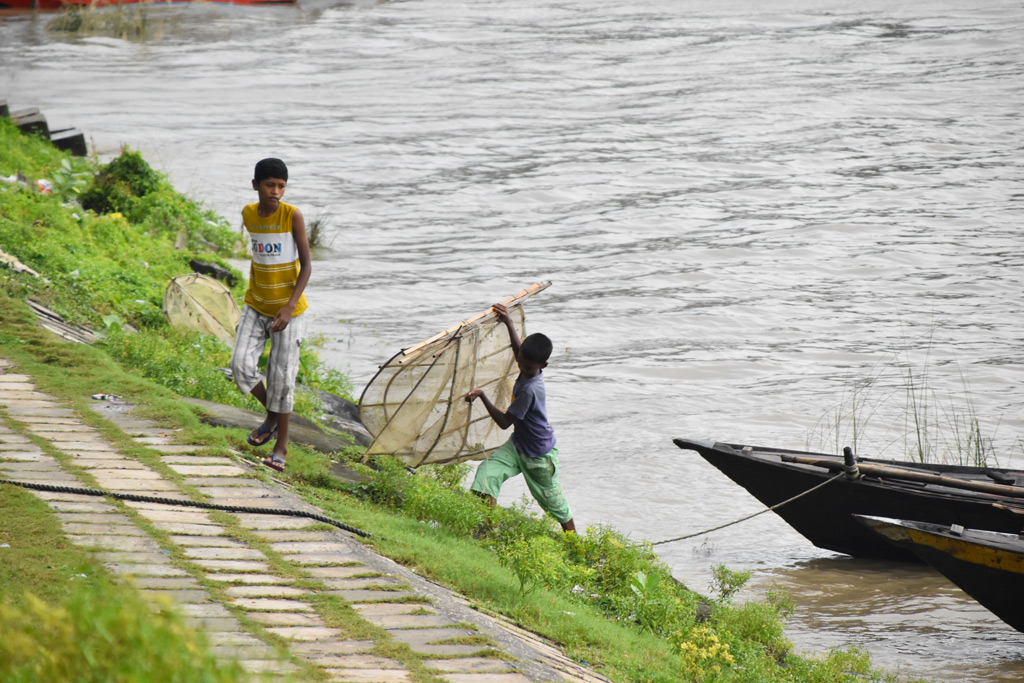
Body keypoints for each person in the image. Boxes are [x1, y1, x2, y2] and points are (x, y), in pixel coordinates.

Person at [229, 158, 311, 472]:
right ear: (256, 186)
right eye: (269, 185)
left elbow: (307, 266)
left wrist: (290, 307)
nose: (275, 192)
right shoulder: (248, 214)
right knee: (240, 365)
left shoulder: (293, 215)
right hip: (256, 303)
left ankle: (281, 448)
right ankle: (274, 417)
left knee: (282, 379)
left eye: (281, 186)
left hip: (288, 310)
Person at [466, 303, 576, 533]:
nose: (522, 368)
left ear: (542, 366)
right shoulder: (528, 366)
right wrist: (509, 323)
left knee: (555, 505)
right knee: (487, 474)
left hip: (538, 456)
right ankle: (486, 528)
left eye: (527, 367)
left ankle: (576, 544)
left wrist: (483, 396)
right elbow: (520, 353)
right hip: (518, 446)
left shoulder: (529, 390)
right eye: (521, 364)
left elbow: (505, 422)